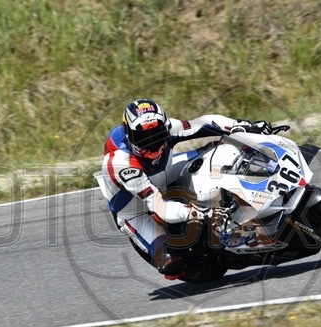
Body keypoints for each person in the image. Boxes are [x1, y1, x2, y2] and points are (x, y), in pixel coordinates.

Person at [99, 98, 274, 279]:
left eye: (157, 134)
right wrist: (199, 213)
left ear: (165, 127)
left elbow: (204, 123)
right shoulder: (121, 164)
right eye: (143, 138)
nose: (152, 143)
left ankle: (260, 186)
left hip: (164, 174)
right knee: (171, 262)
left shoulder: (169, 128)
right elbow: (158, 206)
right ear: (128, 135)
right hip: (138, 210)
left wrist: (242, 126)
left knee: (221, 149)